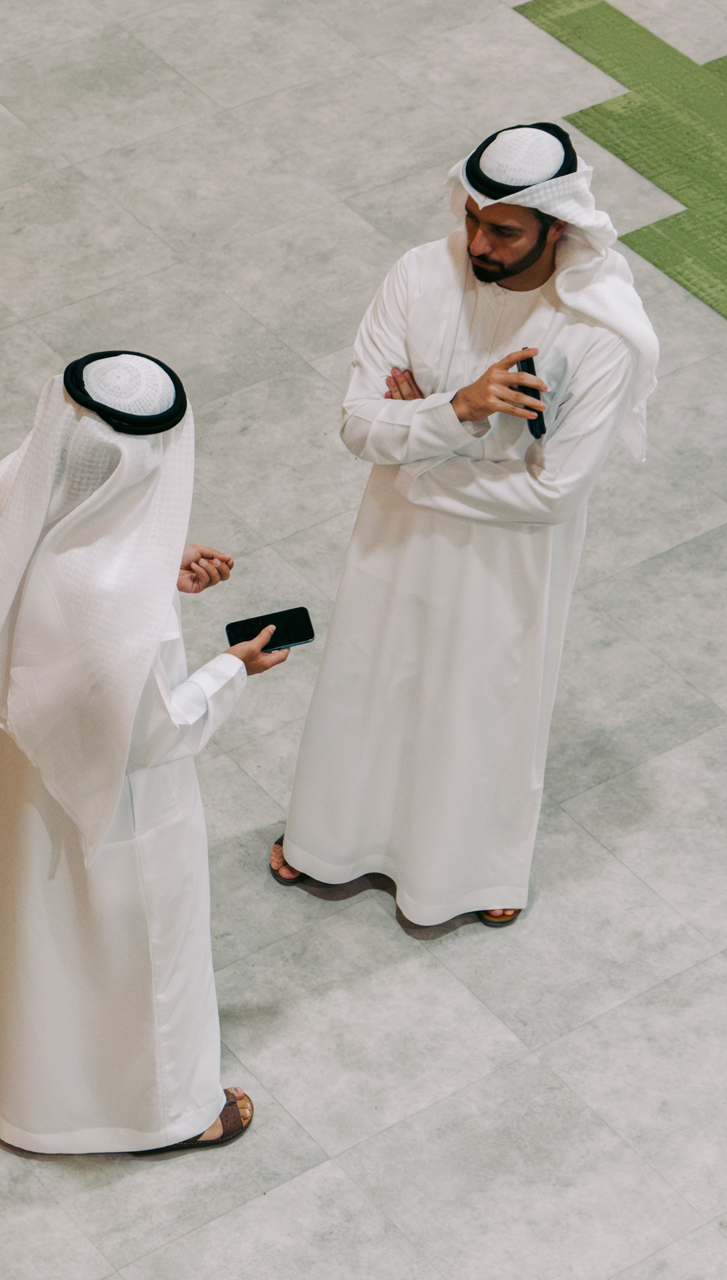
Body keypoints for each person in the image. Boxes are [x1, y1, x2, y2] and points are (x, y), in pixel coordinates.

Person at [272, 123, 658, 927]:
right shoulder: (420, 275)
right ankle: (328, 843)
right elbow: (356, 429)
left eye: (504, 229)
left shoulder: (598, 333)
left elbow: (554, 495)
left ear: (559, 227)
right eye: (473, 217)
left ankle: (467, 877)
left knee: (480, 704)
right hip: (396, 541)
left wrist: (417, 450)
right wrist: (460, 411)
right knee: (369, 683)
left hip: (506, 562)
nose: (479, 240)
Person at [0, 351, 287, 1154]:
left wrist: (156, 561)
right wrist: (234, 667)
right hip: (108, 799)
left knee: (29, 919)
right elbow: (162, 732)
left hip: (14, 759)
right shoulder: (124, 607)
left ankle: (14, 1069)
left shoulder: (14, 483)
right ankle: (169, 1113)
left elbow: (61, 545)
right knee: (140, 949)